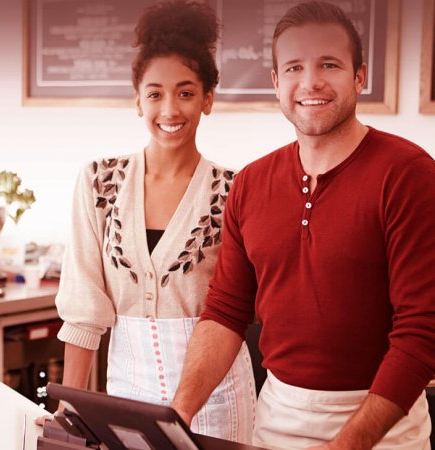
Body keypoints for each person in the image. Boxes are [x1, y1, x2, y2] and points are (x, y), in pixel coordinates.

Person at [171, 1, 434, 449]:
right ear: (276, 83)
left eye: (328, 64)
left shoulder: (408, 174)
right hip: (277, 420)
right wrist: (176, 416)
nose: (309, 82)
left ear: (359, 76)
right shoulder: (251, 183)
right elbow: (226, 313)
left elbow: (422, 330)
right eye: (294, 67)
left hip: (385, 428)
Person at [36, 0, 256, 443]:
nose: (170, 109)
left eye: (186, 92)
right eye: (155, 93)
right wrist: (68, 411)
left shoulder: (236, 189)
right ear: (137, 100)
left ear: (208, 99)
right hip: (127, 395)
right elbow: (84, 309)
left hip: (216, 401)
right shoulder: (99, 182)